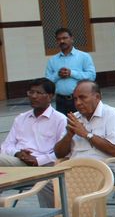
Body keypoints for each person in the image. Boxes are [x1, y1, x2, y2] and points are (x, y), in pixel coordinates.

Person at [0, 79, 66, 209]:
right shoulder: (21, 118)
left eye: (39, 93)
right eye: (31, 92)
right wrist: (18, 153)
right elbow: (5, 147)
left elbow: (62, 152)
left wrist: (38, 160)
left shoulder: (60, 120)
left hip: (45, 166)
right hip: (19, 163)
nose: (34, 96)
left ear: (50, 96)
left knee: (45, 182)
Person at [53, 81, 115, 186]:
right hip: (76, 169)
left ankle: (74, 202)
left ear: (97, 97)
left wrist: (86, 134)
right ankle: (63, 203)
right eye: (75, 99)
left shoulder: (111, 114)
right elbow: (59, 154)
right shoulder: (75, 118)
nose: (78, 103)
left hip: (108, 171)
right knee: (46, 183)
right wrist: (69, 135)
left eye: (82, 97)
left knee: (73, 183)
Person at [44, 27, 96, 114]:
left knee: (81, 124)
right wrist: (57, 75)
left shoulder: (84, 56)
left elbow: (91, 76)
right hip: (60, 101)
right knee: (63, 126)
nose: (62, 41)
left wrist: (72, 73)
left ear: (72, 39)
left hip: (80, 99)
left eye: (64, 38)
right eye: (59, 39)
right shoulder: (52, 60)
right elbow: (46, 82)